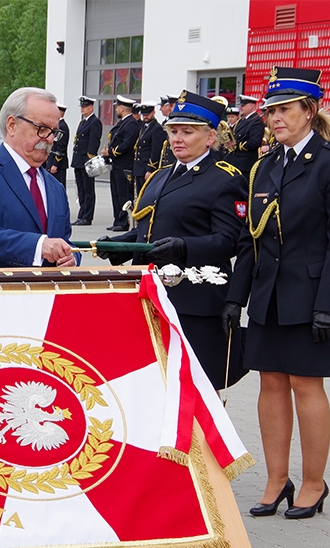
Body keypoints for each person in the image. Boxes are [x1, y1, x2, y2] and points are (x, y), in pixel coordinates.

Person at [223, 66, 330, 519]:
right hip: (269, 295)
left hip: (314, 296)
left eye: (284, 109)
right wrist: (235, 296)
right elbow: (251, 239)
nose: (275, 118)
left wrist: (329, 305)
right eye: (270, 111)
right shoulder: (264, 165)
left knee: (306, 384)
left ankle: (314, 483)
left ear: (310, 110)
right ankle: (276, 480)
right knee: (270, 383)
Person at [98, 91, 247, 391]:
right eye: (173, 131)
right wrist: (123, 244)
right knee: (156, 386)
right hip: (152, 296)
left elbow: (230, 240)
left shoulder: (225, 178)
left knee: (198, 390)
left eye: (187, 132)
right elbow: (151, 226)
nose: (177, 138)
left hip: (195, 298)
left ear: (209, 137)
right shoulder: (161, 175)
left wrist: (185, 246)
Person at [0, 87, 78, 269]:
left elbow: (65, 241)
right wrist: (38, 246)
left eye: (54, 132)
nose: (50, 139)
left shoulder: (55, 186)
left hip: (44, 295)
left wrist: (71, 257)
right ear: (12, 125)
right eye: (42, 129)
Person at [101, 95, 141, 231]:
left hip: (125, 165)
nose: (116, 109)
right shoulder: (123, 123)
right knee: (116, 194)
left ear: (123, 109)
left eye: (117, 107)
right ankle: (118, 220)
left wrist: (110, 152)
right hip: (117, 165)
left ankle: (125, 222)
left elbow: (126, 144)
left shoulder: (131, 124)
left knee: (124, 195)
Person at [71, 96, 102, 226]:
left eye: (85, 107)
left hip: (86, 161)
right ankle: (82, 214)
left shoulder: (95, 122)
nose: (82, 109)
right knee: (81, 189)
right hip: (79, 160)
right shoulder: (83, 122)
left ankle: (87, 216)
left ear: (91, 107)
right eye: (81, 107)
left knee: (88, 190)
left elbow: (93, 143)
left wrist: (88, 161)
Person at [131, 100, 167, 198]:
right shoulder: (143, 126)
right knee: (139, 196)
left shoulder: (156, 128)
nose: (145, 117)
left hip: (146, 168)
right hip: (139, 168)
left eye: (147, 114)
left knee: (146, 196)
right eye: (143, 114)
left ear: (153, 113)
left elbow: (155, 151)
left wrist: (150, 169)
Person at [227, 94, 266, 179]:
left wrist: (236, 145)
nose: (241, 108)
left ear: (251, 106)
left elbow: (254, 142)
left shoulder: (256, 121)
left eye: (243, 105)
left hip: (245, 162)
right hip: (235, 159)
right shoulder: (242, 120)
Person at [45, 102, 70, 189]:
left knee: (58, 188)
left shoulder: (62, 127)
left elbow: (61, 147)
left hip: (58, 164)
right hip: (51, 161)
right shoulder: (57, 125)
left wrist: (55, 164)